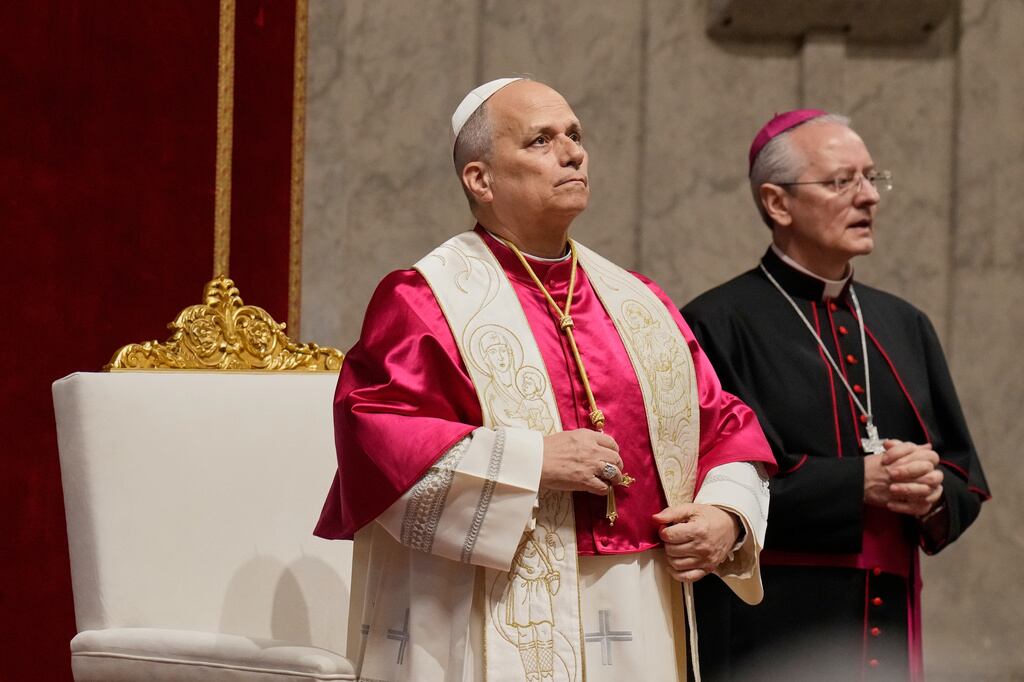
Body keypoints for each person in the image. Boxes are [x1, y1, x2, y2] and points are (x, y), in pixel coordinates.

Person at [314, 77, 775, 682]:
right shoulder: (426, 300)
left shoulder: (637, 301)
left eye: (575, 136)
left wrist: (726, 516)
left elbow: (724, 425)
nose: (572, 152)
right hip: (486, 608)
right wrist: (529, 460)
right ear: (480, 179)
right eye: (540, 140)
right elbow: (377, 442)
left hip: (638, 606)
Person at [681, 110, 991, 682]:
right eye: (841, 181)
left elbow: (963, 470)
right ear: (777, 203)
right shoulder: (715, 323)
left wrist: (930, 490)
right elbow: (710, 484)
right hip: (770, 619)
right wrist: (860, 483)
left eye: (872, 178)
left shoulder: (904, 323)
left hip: (888, 616)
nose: (869, 197)